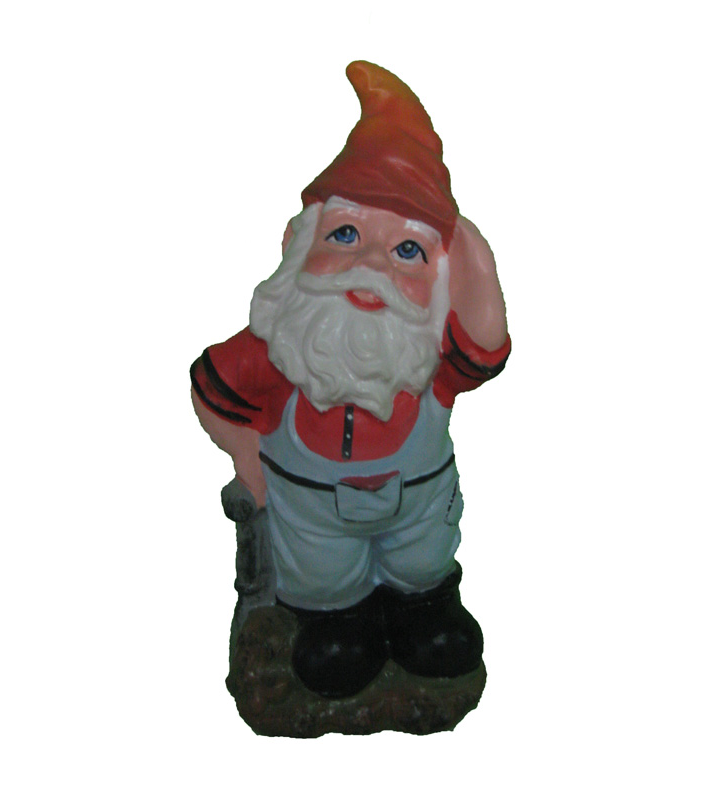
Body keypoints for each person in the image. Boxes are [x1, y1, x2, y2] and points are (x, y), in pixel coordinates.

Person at [191, 61, 511, 698]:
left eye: (408, 250)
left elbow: (488, 346)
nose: (371, 266)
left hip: (416, 507)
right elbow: (211, 388)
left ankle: (422, 609)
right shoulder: (279, 347)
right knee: (323, 580)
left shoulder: (428, 351)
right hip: (313, 516)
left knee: (421, 560)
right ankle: (338, 621)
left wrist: (469, 243)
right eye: (345, 235)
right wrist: (248, 458)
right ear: (298, 245)